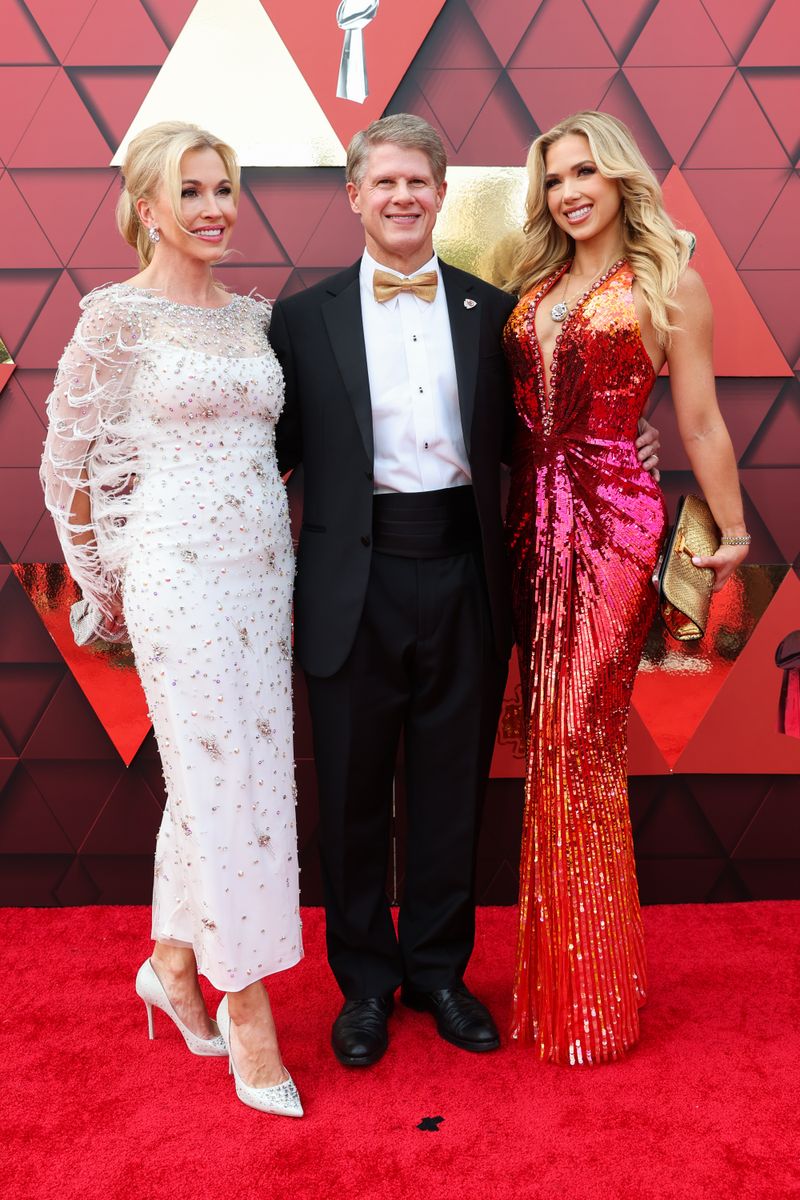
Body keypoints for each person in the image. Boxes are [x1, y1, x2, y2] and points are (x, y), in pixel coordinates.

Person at [269, 113, 660, 1068]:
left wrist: (630, 447)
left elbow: (550, 433)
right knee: (355, 796)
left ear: (443, 196)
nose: (404, 197)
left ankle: (439, 973)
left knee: (450, 792)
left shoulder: (496, 314)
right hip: (349, 583)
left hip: (464, 575)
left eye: (420, 182)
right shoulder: (299, 317)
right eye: (385, 182)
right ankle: (363, 985)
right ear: (355, 195)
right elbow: (265, 458)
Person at [40, 121, 303, 1116]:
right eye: (190, 192)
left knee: (227, 781)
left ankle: (172, 965)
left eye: (224, 188)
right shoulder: (115, 319)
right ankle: (245, 1007)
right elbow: (67, 467)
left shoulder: (249, 319)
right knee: (220, 778)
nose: (214, 208)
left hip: (258, 579)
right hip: (174, 578)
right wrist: (103, 587)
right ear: (147, 207)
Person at [503, 110, 750, 1065]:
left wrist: (729, 532)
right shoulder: (532, 283)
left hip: (613, 522)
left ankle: (593, 992)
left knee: (579, 732)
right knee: (545, 738)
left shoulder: (670, 284)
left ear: (618, 179)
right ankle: (565, 978)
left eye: (584, 172)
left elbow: (700, 421)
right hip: (528, 522)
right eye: (555, 177)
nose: (569, 190)